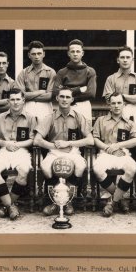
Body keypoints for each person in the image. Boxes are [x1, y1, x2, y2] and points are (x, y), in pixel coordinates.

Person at [34, 87, 94, 216]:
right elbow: (37, 140)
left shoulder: (79, 117)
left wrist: (69, 143)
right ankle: (54, 201)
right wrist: (54, 146)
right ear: (57, 98)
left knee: (80, 166)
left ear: (72, 99)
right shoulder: (50, 117)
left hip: (73, 151)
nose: (64, 99)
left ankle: (67, 201)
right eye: (62, 96)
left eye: (67, 97)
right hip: (54, 151)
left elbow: (90, 140)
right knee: (45, 166)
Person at [0, 89, 37, 220]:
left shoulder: (31, 118)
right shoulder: (0, 117)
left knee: (24, 171)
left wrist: (18, 145)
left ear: (23, 101)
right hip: (4, 150)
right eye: (12, 99)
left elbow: (34, 139)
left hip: (22, 151)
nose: (15, 102)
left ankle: (7, 206)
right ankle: (11, 206)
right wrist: (5, 143)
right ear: (8, 101)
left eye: (18, 99)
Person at [93, 93, 136, 216]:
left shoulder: (129, 123)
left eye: (119, 103)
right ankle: (120, 199)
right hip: (105, 153)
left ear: (124, 105)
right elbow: (94, 139)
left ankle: (112, 202)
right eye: (113, 103)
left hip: (122, 153)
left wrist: (118, 146)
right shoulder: (101, 120)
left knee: (132, 168)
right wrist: (107, 147)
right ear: (109, 105)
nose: (116, 106)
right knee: (97, 169)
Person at [103, 45, 136, 129]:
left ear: (132, 60)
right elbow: (108, 99)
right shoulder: (111, 79)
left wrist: (122, 96)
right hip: (116, 112)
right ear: (118, 60)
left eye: (128, 57)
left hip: (134, 111)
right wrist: (133, 98)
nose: (125, 60)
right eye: (122, 57)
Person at [51, 39, 96, 122]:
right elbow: (56, 92)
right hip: (66, 105)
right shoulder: (62, 72)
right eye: (72, 51)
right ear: (68, 53)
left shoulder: (90, 71)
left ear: (82, 53)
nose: (75, 54)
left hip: (83, 105)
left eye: (78, 51)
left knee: (84, 132)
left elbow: (91, 93)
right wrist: (78, 90)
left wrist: (67, 92)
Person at [14, 41, 56, 120]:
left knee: (44, 131)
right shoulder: (23, 73)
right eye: (33, 54)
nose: (36, 56)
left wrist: (28, 95)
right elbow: (20, 96)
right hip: (28, 107)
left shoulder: (50, 72)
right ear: (29, 55)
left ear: (43, 54)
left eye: (39, 53)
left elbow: (50, 96)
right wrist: (40, 92)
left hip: (45, 107)